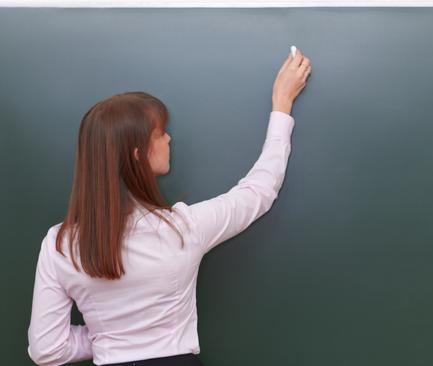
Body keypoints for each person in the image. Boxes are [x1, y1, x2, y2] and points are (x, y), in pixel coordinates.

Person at [27, 49, 312, 366]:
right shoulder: (182, 229)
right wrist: (282, 103)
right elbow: (259, 189)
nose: (170, 139)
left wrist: (108, 337)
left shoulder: (60, 245)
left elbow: (46, 349)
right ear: (138, 154)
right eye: (160, 133)